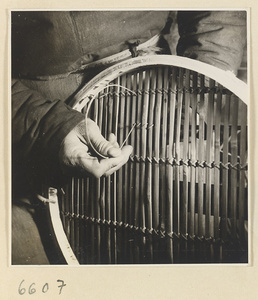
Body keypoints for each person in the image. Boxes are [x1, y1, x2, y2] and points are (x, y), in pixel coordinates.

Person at [11, 10, 247, 264]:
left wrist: (201, 84)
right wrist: (49, 125)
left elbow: (217, 12)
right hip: (31, 117)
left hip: (158, 93)